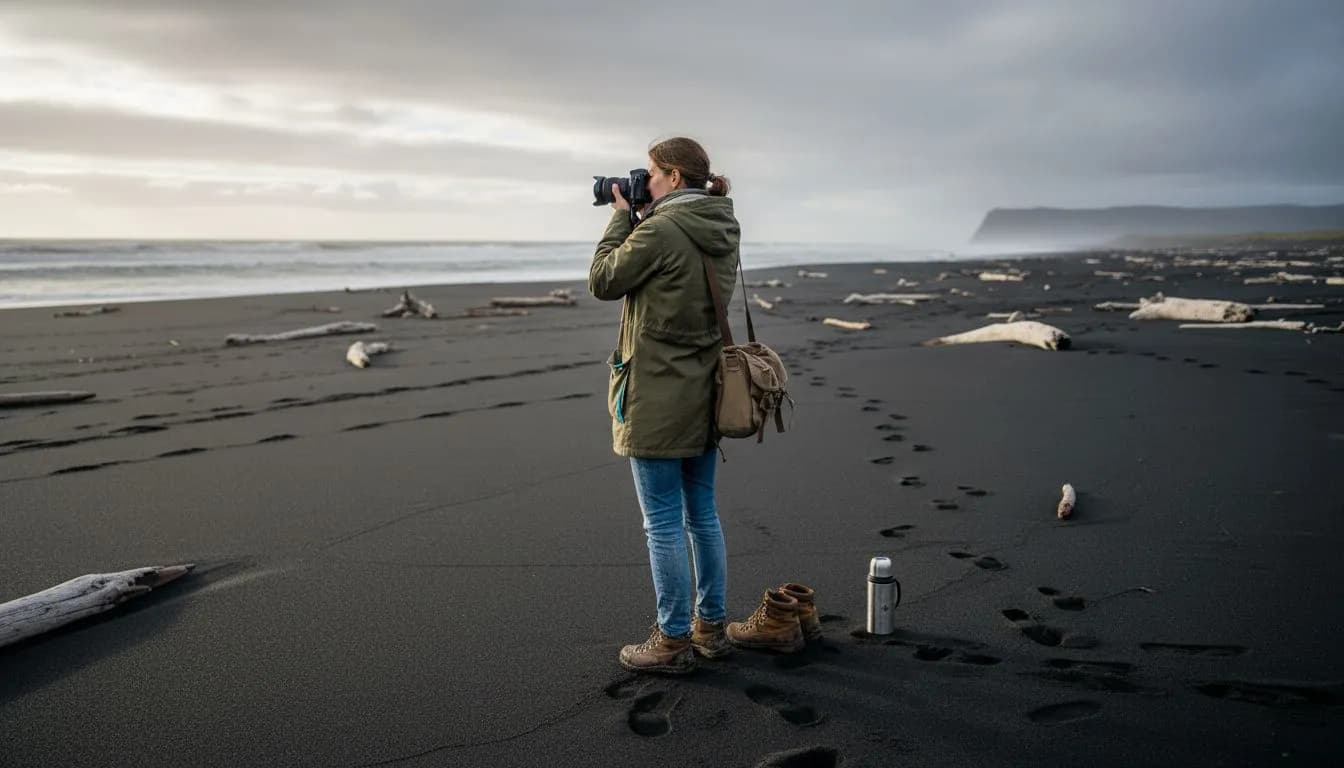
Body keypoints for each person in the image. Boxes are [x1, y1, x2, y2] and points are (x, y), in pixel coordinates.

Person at [588, 136, 740, 674]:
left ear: (674, 177)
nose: (644, 182)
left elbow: (604, 280)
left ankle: (672, 639)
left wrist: (620, 216)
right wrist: (642, 214)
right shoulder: (722, 224)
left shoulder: (660, 228)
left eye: (651, 173)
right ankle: (711, 629)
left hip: (655, 393)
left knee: (662, 523)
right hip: (705, 392)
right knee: (702, 515)